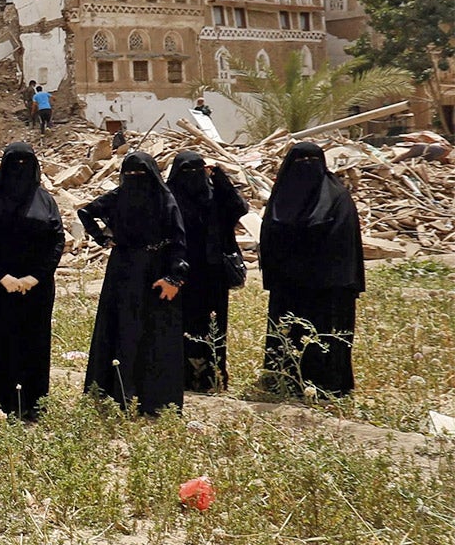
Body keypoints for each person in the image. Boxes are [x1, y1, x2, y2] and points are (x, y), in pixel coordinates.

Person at [79, 153, 187, 415]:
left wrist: (175, 277)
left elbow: (178, 241)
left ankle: (155, 401)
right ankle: (116, 394)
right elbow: (85, 212)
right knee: (122, 329)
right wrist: (103, 239)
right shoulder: (118, 196)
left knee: (155, 332)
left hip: (156, 272)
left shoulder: (164, 199)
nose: (135, 180)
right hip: (123, 271)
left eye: (140, 175)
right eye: (130, 175)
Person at [259, 142, 365, 397]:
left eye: (311, 160)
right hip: (289, 286)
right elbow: (269, 237)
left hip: (328, 286)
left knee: (326, 335)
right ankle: (285, 379)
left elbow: (344, 246)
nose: (306, 168)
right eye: (299, 162)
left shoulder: (338, 199)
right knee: (288, 333)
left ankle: (329, 385)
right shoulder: (281, 196)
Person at [0, 143, 65, 418]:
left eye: (26, 163)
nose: (20, 170)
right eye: (15, 163)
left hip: (36, 288)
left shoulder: (45, 200)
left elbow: (56, 240)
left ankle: (31, 402)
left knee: (32, 340)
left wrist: (36, 277)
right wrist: (1, 275)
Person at [167, 151, 249, 393]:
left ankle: (209, 376)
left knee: (210, 325)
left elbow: (239, 207)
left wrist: (220, 178)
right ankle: (191, 375)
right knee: (188, 324)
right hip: (185, 274)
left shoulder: (213, 198)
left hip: (208, 274)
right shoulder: (170, 198)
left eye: (197, 171)